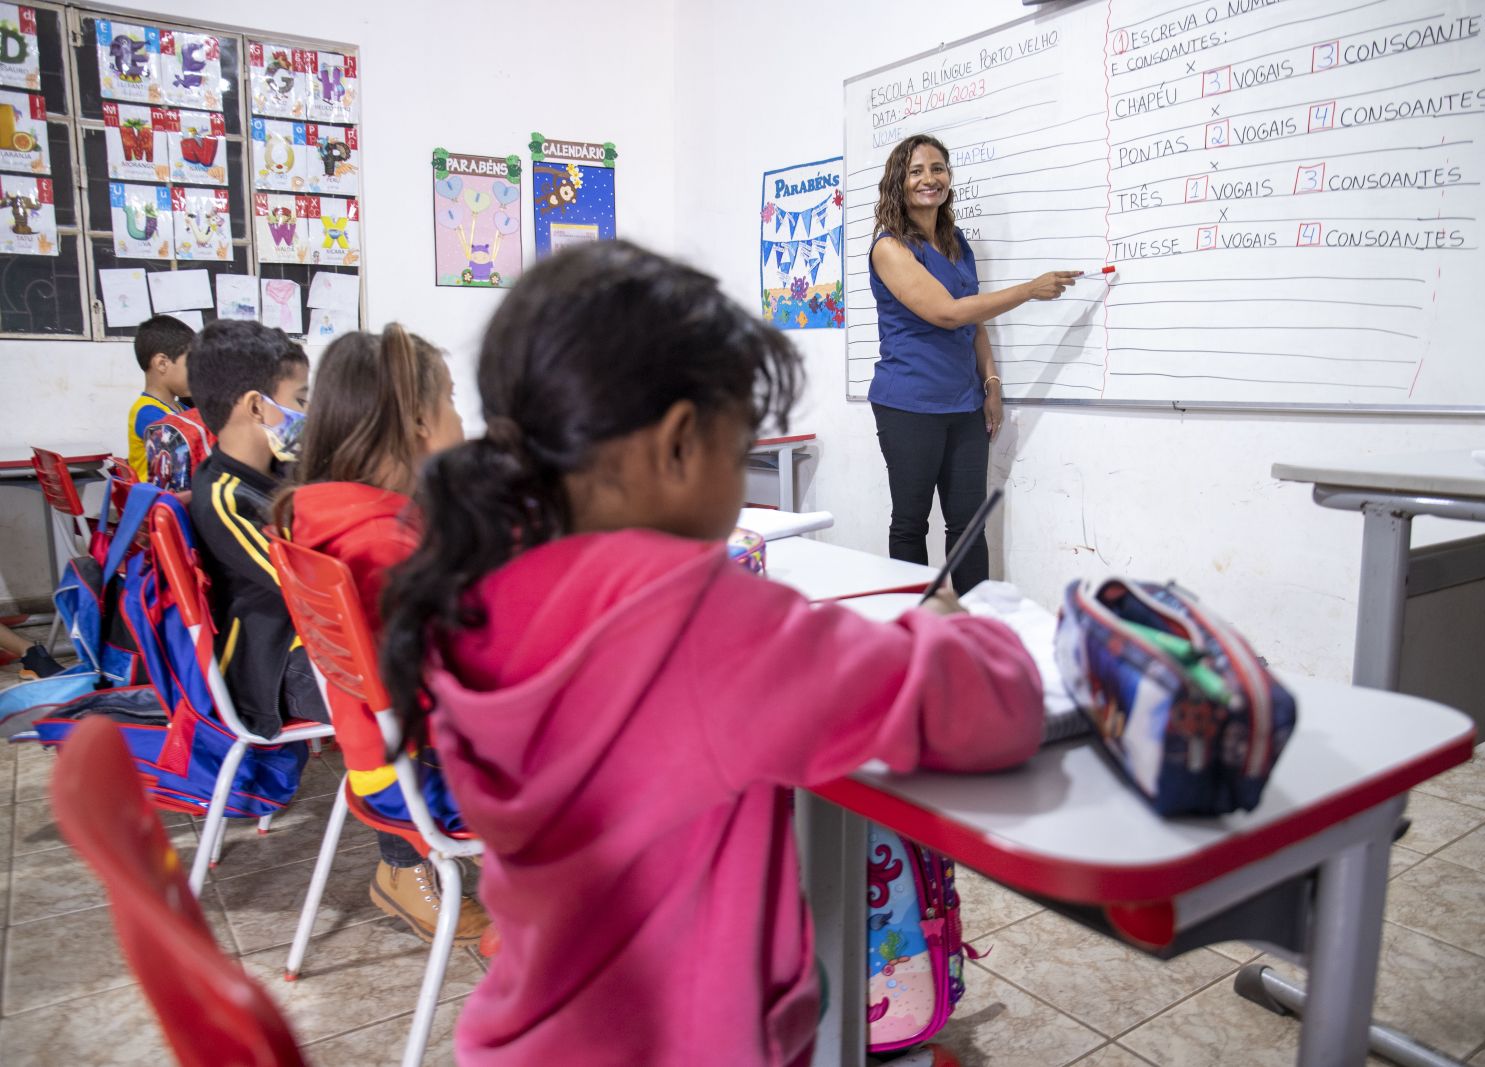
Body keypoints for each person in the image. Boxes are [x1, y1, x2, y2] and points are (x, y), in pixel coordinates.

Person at [379, 241, 1045, 1066]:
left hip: (530, 1033)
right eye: (743, 450)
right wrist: (949, 623)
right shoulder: (700, 623)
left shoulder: (474, 585)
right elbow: (991, 709)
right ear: (681, 442)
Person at [273, 325, 492, 949]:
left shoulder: (322, 511)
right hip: (428, 778)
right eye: (450, 399)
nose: (459, 415)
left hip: (378, 761)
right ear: (420, 421)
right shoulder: (381, 545)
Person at [868, 133, 1080, 593]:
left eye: (938, 168)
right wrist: (1028, 290)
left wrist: (992, 383)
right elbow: (947, 313)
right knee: (911, 524)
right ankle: (918, 628)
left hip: (963, 404)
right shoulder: (890, 248)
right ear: (898, 183)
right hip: (909, 405)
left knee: (968, 527)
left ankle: (973, 626)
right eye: (917, 171)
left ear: (949, 178)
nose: (930, 179)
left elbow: (975, 316)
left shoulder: (955, 240)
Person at [184, 320, 314, 739]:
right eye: (300, 400)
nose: (308, 414)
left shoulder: (281, 471)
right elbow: (305, 585)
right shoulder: (224, 497)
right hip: (274, 669)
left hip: (309, 643)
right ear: (257, 408)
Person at [126, 315, 196, 481]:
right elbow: (186, 454)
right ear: (162, 363)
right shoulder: (147, 412)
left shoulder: (182, 409)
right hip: (158, 502)